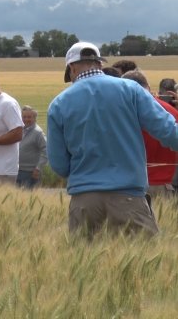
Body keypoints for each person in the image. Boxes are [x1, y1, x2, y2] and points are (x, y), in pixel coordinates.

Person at [47, 41, 178, 239]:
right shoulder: (131, 90)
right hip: (129, 197)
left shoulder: (58, 104)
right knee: (141, 265)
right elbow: (169, 132)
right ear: (99, 64)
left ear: (72, 68)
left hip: (84, 201)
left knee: (86, 266)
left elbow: (59, 165)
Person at [121, 70, 178, 198]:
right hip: (164, 185)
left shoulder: (119, 113)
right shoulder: (171, 111)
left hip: (129, 187)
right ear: (148, 87)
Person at [16, 105, 47, 189]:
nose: (26, 119)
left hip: (30, 173)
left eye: (29, 117)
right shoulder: (19, 130)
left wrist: (38, 168)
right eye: (24, 117)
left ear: (34, 118)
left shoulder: (38, 133)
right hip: (17, 170)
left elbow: (46, 151)